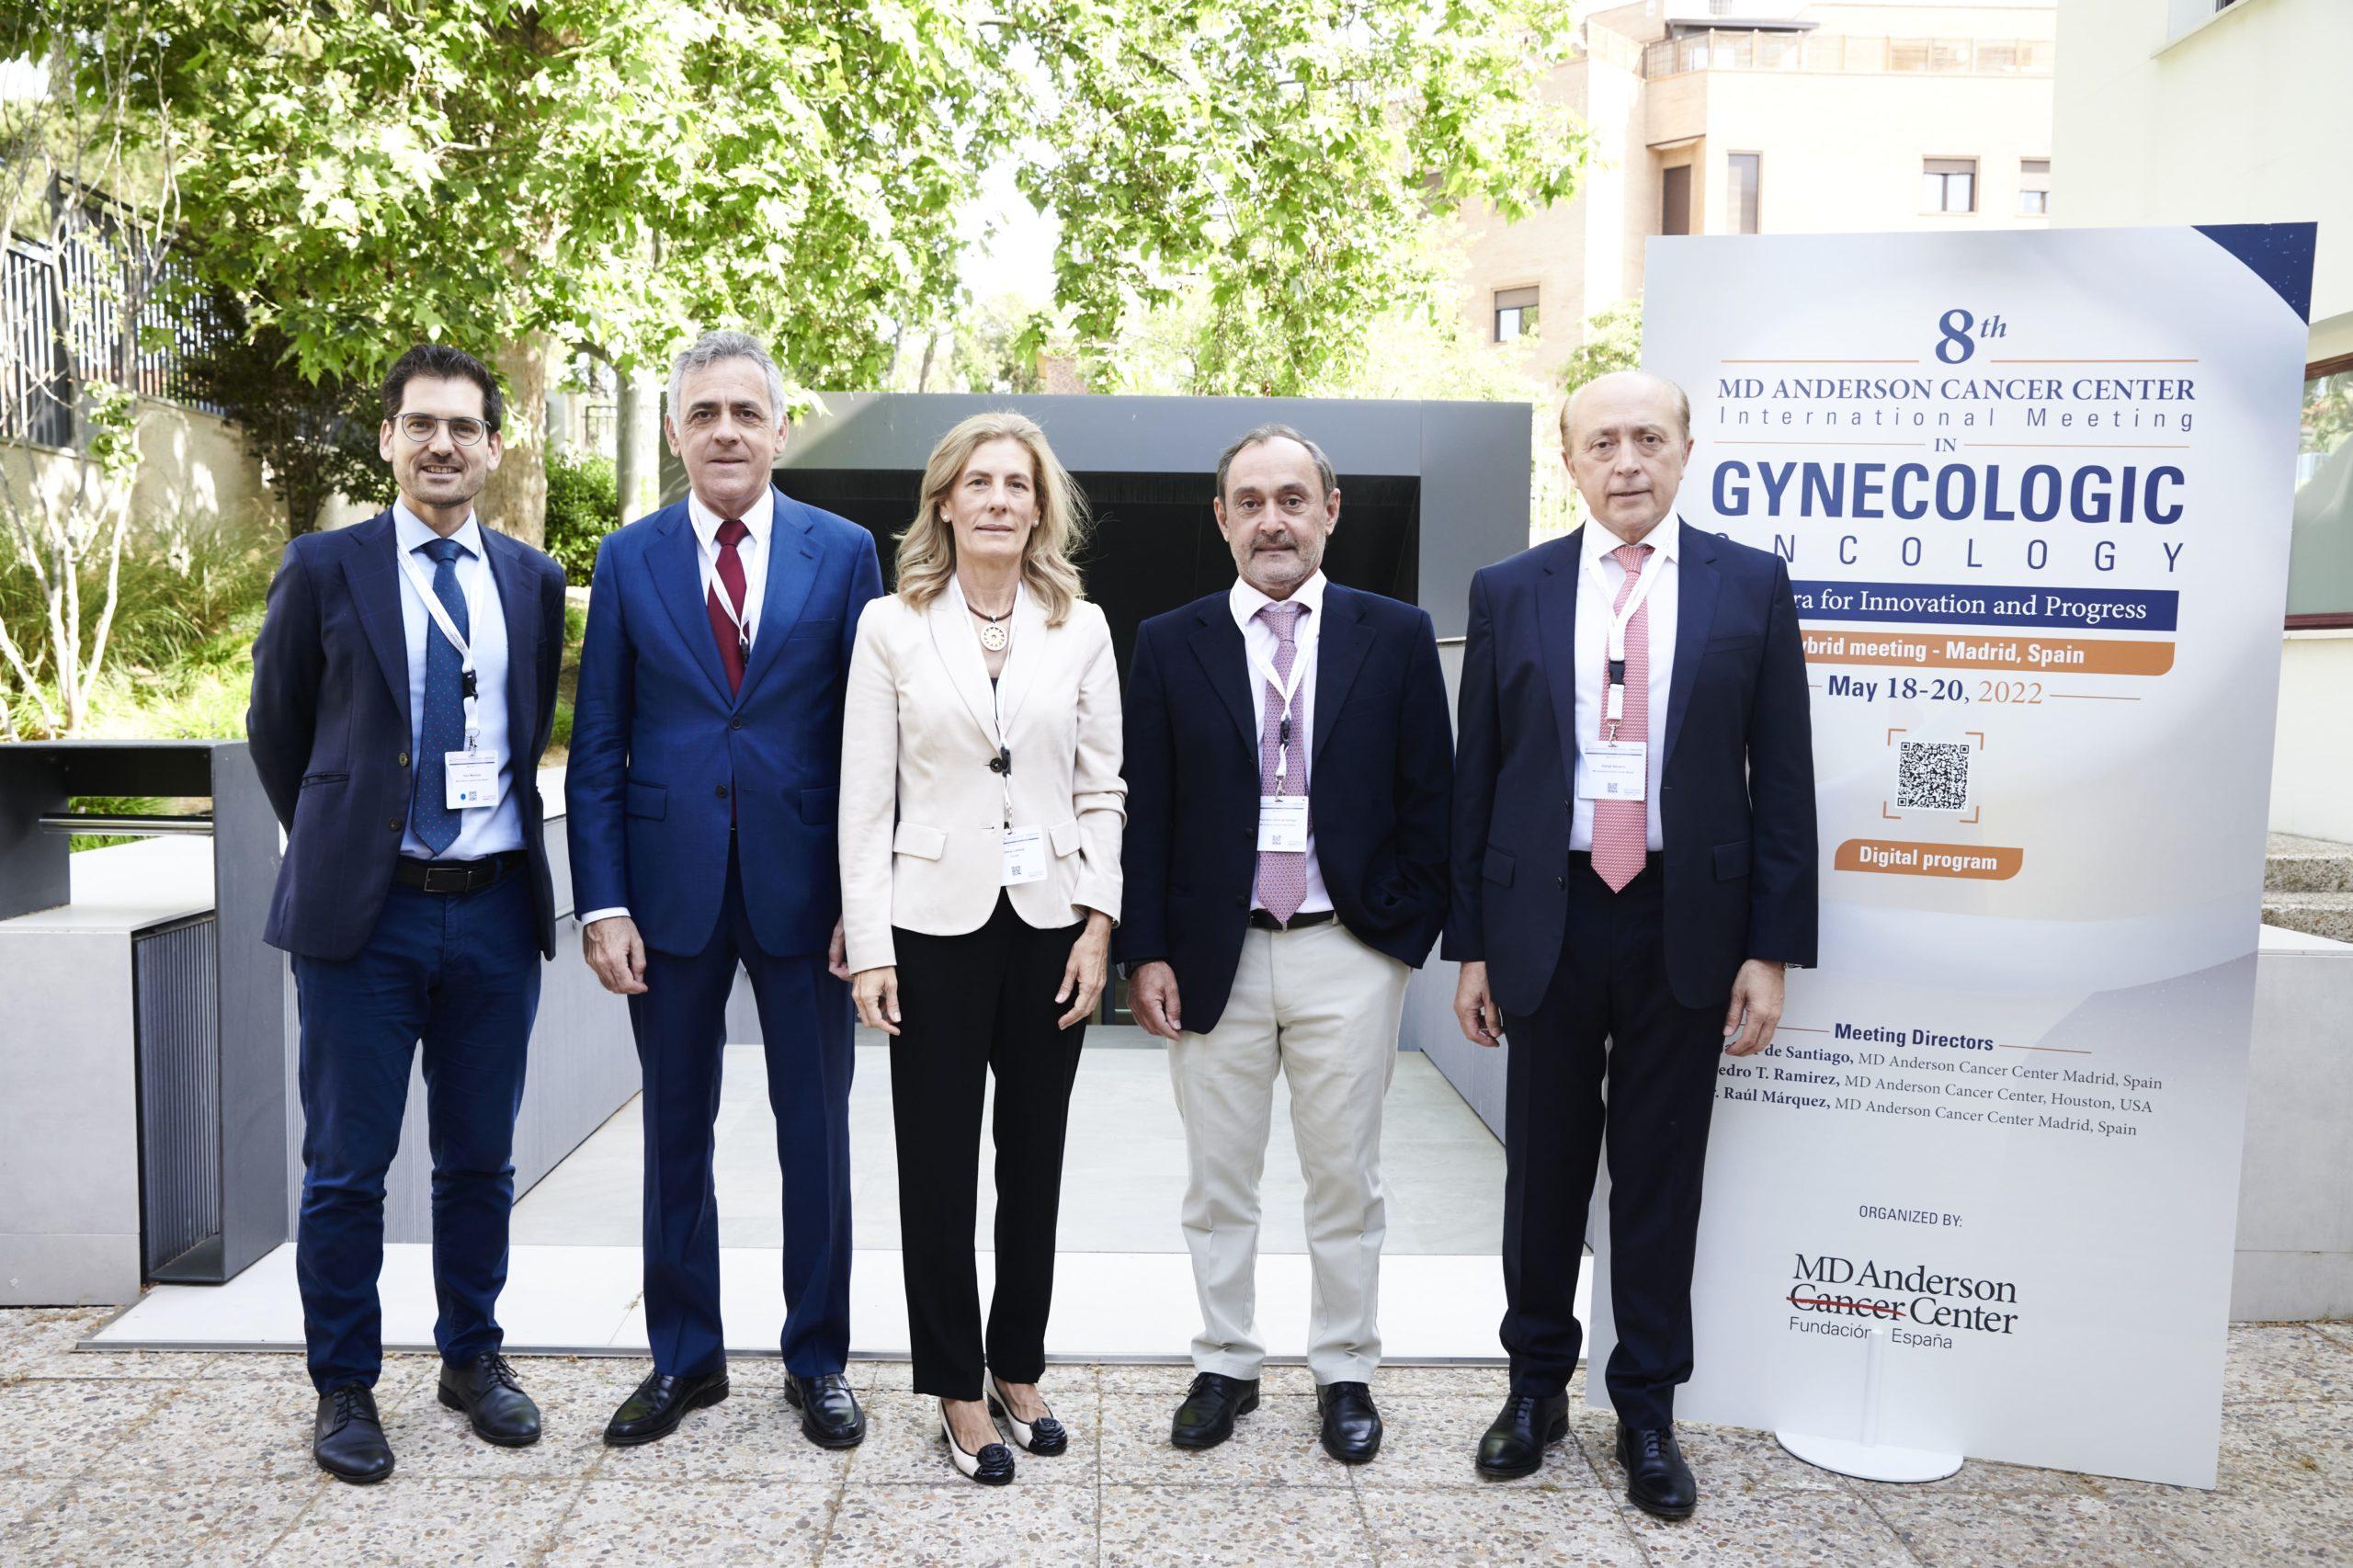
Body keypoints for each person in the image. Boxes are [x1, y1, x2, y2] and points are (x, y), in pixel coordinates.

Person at [1447, 370, 1817, 1516]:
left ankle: (1647, 1408)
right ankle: (1533, 1389)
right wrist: (1471, 945)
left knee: (1660, 1175)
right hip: (1545, 913)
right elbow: (1480, 780)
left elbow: (1783, 777)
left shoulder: (1748, 584)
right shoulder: (1511, 587)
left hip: (1683, 918)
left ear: (1686, 449)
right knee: (1543, 1173)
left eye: (1647, 438)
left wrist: (1771, 946)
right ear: (1567, 460)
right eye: (1601, 440)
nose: (1626, 461)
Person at [246, 344, 569, 1483]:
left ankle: (471, 1359)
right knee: (346, 1166)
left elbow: (519, 733)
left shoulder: (530, 582)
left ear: (493, 445)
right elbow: (278, 730)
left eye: (463, 427)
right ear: (386, 439)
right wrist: (349, 839)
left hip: (490, 911)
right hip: (363, 922)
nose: (443, 445)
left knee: (480, 1161)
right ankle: (343, 1385)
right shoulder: (324, 566)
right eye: (420, 424)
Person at [567, 329, 882, 1450]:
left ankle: (818, 1360)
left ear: (780, 428)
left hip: (808, 895)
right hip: (669, 896)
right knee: (675, 1134)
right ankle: (684, 1359)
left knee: (818, 1135)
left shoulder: (844, 554)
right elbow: (598, 738)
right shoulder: (626, 558)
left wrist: (866, 894)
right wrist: (601, 900)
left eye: (746, 412)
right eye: (704, 414)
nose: (727, 432)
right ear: (673, 431)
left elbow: (868, 740)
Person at [1118, 425, 1453, 1465]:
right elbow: (1146, 811)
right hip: (1213, 954)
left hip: (1343, 948)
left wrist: (1391, 935)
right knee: (1218, 1179)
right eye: (1250, 500)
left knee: (1344, 1176)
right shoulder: (1169, 641)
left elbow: (1427, 797)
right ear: (1221, 518)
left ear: (1330, 510)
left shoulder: (1392, 633)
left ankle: (1345, 1367)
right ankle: (1224, 1359)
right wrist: (1149, 949)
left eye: (1293, 498)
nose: (1273, 518)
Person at [838, 411, 1123, 1484]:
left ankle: (1018, 1363)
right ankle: (956, 1384)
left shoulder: (1081, 626)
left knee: (1035, 1162)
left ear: (1040, 506)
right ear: (944, 501)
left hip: (1050, 925)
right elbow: (864, 800)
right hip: (933, 928)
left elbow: (1103, 786)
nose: (1000, 498)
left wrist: (1098, 921)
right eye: (980, 481)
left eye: (1019, 483)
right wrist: (871, 947)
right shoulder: (889, 625)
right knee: (937, 1165)